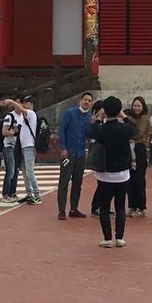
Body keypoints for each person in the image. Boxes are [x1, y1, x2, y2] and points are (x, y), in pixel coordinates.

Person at [91, 95, 135, 248]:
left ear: (105, 111)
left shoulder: (102, 130)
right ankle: (120, 238)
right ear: (118, 110)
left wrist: (98, 117)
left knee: (104, 207)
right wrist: (124, 116)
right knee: (120, 206)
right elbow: (133, 129)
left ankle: (107, 238)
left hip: (105, 173)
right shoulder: (124, 129)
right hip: (122, 173)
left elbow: (92, 131)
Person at [56, 91, 94, 220]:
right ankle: (61, 209)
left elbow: (88, 135)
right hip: (68, 152)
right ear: (80, 100)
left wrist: (93, 124)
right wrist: (63, 148)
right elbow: (62, 130)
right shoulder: (69, 113)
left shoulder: (89, 118)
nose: (87, 102)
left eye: (89, 101)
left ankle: (74, 208)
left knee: (78, 182)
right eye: (85, 100)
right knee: (64, 181)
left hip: (81, 153)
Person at [126, 96, 152, 217]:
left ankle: (140, 207)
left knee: (139, 179)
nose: (136, 108)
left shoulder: (144, 119)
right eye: (135, 105)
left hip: (139, 149)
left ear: (143, 107)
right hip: (129, 149)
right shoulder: (130, 118)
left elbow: (137, 133)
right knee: (129, 179)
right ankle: (132, 206)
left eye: (139, 106)